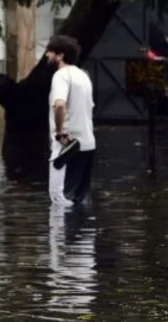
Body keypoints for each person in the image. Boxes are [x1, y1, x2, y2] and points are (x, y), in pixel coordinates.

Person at [46, 35, 96, 207]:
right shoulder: (83, 76)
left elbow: (59, 105)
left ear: (60, 56)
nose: (47, 56)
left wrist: (59, 133)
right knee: (80, 202)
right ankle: (83, 233)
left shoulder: (61, 76)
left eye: (50, 52)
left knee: (60, 201)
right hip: (88, 145)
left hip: (68, 147)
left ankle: (63, 235)